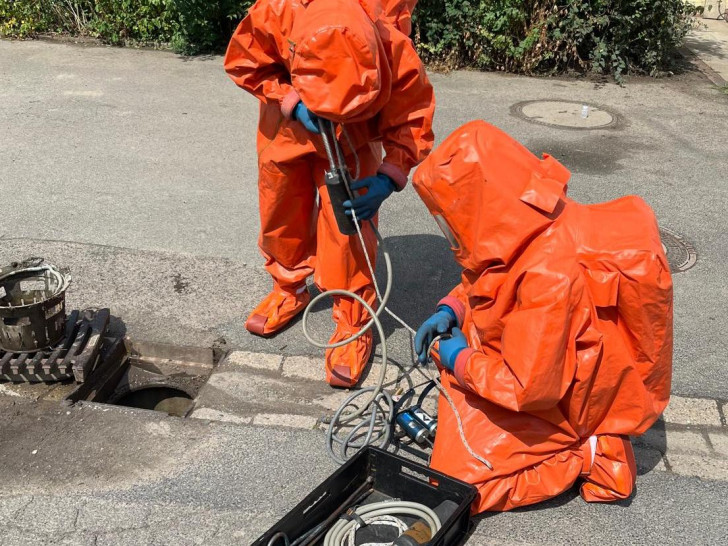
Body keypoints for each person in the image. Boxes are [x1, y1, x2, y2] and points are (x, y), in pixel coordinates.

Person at [412, 120, 673, 513]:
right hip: (572, 372)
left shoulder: (547, 277)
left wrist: (460, 360)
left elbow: (526, 388)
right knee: (463, 403)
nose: (452, 231)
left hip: (571, 399)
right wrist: (454, 307)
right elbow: (492, 275)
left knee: (456, 481)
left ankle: (593, 452)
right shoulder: (533, 219)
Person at [224, 0, 434, 387]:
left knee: (348, 230)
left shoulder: (389, 41)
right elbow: (245, 62)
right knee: (280, 208)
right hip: (286, 129)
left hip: (354, 141)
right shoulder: (278, 11)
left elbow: (411, 116)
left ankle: (353, 320)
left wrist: (390, 175)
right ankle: (289, 288)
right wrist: (290, 100)